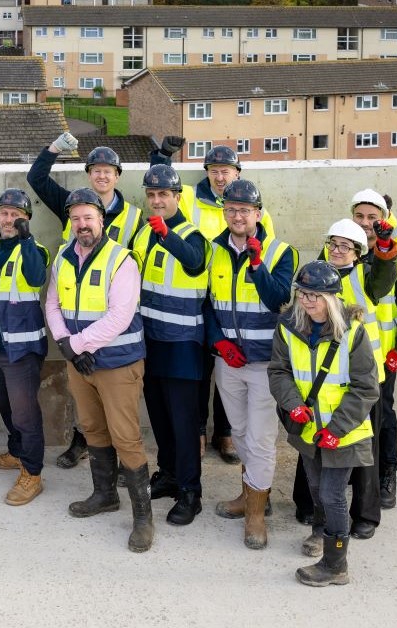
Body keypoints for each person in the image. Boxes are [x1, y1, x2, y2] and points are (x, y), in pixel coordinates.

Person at [149, 142, 275, 463]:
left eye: (226, 171)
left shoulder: (255, 210)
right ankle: (199, 431)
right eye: (214, 171)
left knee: (228, 368)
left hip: (231, 296)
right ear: (206, 172)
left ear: (237, 172)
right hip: (195, 295)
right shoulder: (190, 196)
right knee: (201, 372)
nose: (220, 177)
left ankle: (226, 432)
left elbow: (265, 249)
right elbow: (164, 187)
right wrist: (161, 156)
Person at [44, 188, 152, 552]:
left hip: (116, 364)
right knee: (91, 427)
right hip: (79, 363)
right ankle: (104, 495)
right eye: (75, 218)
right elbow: (53, 306)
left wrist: (76, 346)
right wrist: (65, 345)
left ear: (101, 219)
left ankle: (143, 519)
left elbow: (120, 316)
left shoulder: (122, 259)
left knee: (126, 436)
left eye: (88, 217)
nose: (81, 224)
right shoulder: (63, 257)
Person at [27, 132, 143, 468]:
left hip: (116, 327)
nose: (102, 175)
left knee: (121, 408)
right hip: (76, 321)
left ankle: (126, 465)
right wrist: (54, 148)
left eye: (109, 170)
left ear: (118, 175)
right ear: (88, 174)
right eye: (96, 170)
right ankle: (83, 442)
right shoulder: (73, 207)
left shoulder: (133, 217)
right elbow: (36, 178)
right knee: (86, 403)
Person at [269, 261, 379, 587]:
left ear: (331, 297)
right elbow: (279, 371)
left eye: (314, 295)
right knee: (316, 488)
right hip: (308, 428)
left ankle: (335, 565)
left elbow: (365, 387)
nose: (306, 301)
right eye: (302, 293)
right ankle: (321, 532)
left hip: (344, 431)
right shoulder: (288, 326)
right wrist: (292, 405)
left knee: (332, 494)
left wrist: (337, 429)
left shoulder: (354, 332)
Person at [205, 179, 297, 550]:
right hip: (229, 360)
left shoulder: (280, 252)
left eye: (244, 210)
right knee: (240, 433)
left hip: (265, 363)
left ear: (258, 214)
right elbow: (207, 304)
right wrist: (219, 341)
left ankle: (257, 513)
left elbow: (279, 301)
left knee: (259, 439)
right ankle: (249, 495)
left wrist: (257, 265)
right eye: (231, 210)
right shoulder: (215, 250)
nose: (237, 216)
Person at [291, 218, 396, 538]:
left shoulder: (367, 275)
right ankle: (308, 505)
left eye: (345, 246)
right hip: (318, 377)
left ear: (358, 251)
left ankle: (365, 515)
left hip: (363, 375)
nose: (337, 250)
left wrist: (386, 249)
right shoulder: (315, 275)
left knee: (363, 448)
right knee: (310, 442)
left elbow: (383, 280)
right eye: (333, 243)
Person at [132, 165, 209, 525]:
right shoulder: (144, 234)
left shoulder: (195, 236)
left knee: (183, 421)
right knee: (160, 416)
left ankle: (190, 491)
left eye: (164, 195)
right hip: (151, 340)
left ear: (178, 198)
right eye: (152, 195)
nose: (157, 200)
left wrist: (167, 236)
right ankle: (170, 474)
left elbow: (194, 265)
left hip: (182, 344)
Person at [0, 188, 49, 506]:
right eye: (3, 213)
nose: (8, 219)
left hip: (22, 349)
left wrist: (27, 240)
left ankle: (32, 473)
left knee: (25, 413)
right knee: (3, 403)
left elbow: (35, 278)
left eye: (16, 214)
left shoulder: (36, 250)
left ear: (26, 219)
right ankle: (17, 452)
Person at [350, 190, 397, 509]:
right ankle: (354, 476)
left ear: (384, 220)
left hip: (383, 354)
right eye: (360, 216)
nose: (366, 223)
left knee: (383, 414)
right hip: (347, 356)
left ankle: (387, 471)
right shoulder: (343, 249)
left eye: (373, 217)